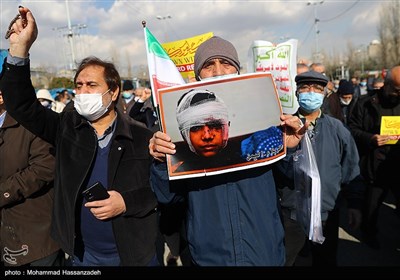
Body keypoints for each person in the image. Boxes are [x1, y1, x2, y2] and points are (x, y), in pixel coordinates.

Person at [0, 7, 158, 266]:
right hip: (83, 256)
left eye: (92, 85)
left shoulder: (141, 137)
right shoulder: (66, 129)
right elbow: (22, 105)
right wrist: (19, 50)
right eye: (79, 85)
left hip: (134, 255)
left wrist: (125, 203)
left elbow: (162, 192)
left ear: (114, 91)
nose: (83, 92)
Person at [149, 36, 307, 266]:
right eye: (208, 65)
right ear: (197, 77)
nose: (218, 71)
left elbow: (291, 180)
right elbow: (167, 197)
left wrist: (291, 148)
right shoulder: (174, 136)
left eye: (226, 63)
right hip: (209, 256)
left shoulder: (265, 129)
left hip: (264, 251)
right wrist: (161, 161)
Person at [276, 71, 363, 266]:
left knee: (326, 261)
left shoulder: (337, 128)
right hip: (292, 213)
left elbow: (351, 168)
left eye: (317, 88)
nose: (311, 92)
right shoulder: (283, 128)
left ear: (324, 94)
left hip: (326, 213)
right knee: (287, 260)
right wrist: (289, 150)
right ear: (297, 93)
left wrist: (355, 203)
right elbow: (276, 170)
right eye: (305, 87)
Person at [0, 90, 63, 267]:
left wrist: (4, 192)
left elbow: (44, 168)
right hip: (6, 238)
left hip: (35, 236)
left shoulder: (30, 123)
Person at [348, 66, 400, 250]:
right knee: (371, 207)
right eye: (396, 90)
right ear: (385, 85)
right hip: (374, 165)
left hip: (397, 162)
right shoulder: (365, 103)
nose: (398, 94)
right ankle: (369, 234)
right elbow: (351, 130)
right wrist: (370, 138)